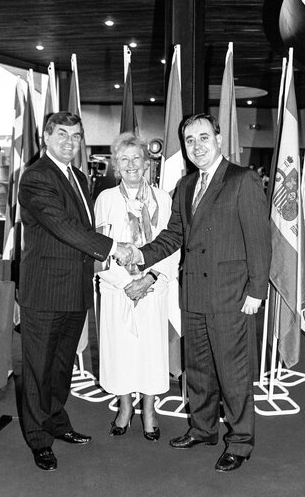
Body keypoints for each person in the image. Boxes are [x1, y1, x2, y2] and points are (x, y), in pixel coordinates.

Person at [127, 113, 271, 472]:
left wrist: (256, 291)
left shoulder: (243, 180)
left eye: (203, 137)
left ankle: (240, 441)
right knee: (200, 370)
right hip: (193, 293)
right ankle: (203, 428)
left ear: (219, 140)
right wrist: (141, 254)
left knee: (233, 374)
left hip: (231, 296)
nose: (197, 146)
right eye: (190, 140)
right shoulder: (187, 186)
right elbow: (174, 235)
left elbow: (259, 241)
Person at [18, 112, 132, 471]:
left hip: (75, 288)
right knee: (38, 370)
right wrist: (112, 247)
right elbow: (62, 225)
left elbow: (82, 227)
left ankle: (56, 422)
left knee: (62, 367)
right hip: (45, 291)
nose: (71, 141)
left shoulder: (80, 177)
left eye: (77, 136)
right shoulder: (36, 177)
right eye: (63, 134)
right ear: (46, 137)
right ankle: (39, 440)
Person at [94, 132, 179, 441]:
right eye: (124, 159)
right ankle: (125, 407)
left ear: (147, 164)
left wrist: (149, 279)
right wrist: (124, 282)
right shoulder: (105, 199)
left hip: (152, 288)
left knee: (149, 351)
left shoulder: (163, 199)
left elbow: (172, 246)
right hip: (117, 290)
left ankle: (150, 409)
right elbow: (98, 249)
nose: (131, 165)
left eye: (137, 159)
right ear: (116, 164)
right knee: (122, 351)